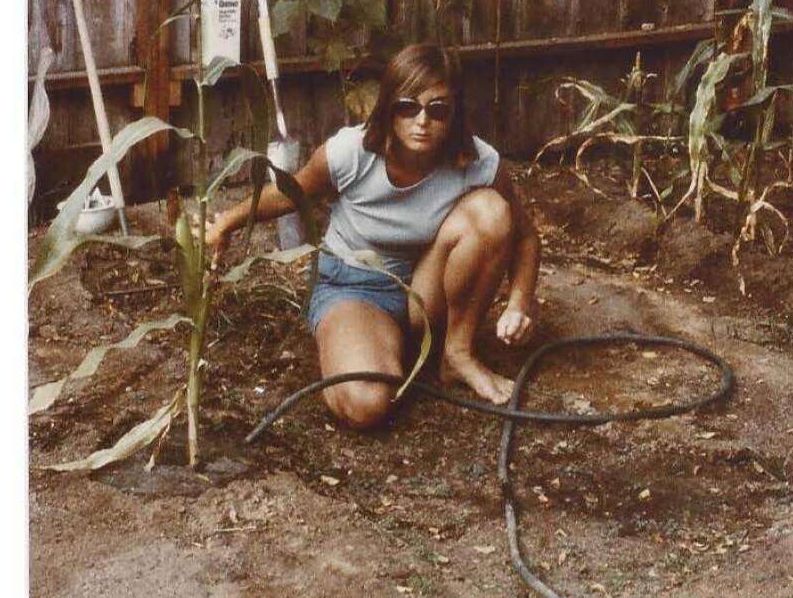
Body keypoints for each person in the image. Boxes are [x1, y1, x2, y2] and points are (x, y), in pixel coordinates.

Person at [204, 43, 541, 430]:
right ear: (389, 107)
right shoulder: (351, 152)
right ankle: (361, 343)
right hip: (354, 286)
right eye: (407, 106)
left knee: (491, 211)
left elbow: (526, 238)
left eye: (438, 109)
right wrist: (226, 222)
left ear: (455, 113)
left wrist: (519, 303)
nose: (421, 121)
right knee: (366, 403)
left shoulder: (478, 162)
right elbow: (289, 193)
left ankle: (456, 353)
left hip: (423, 289)